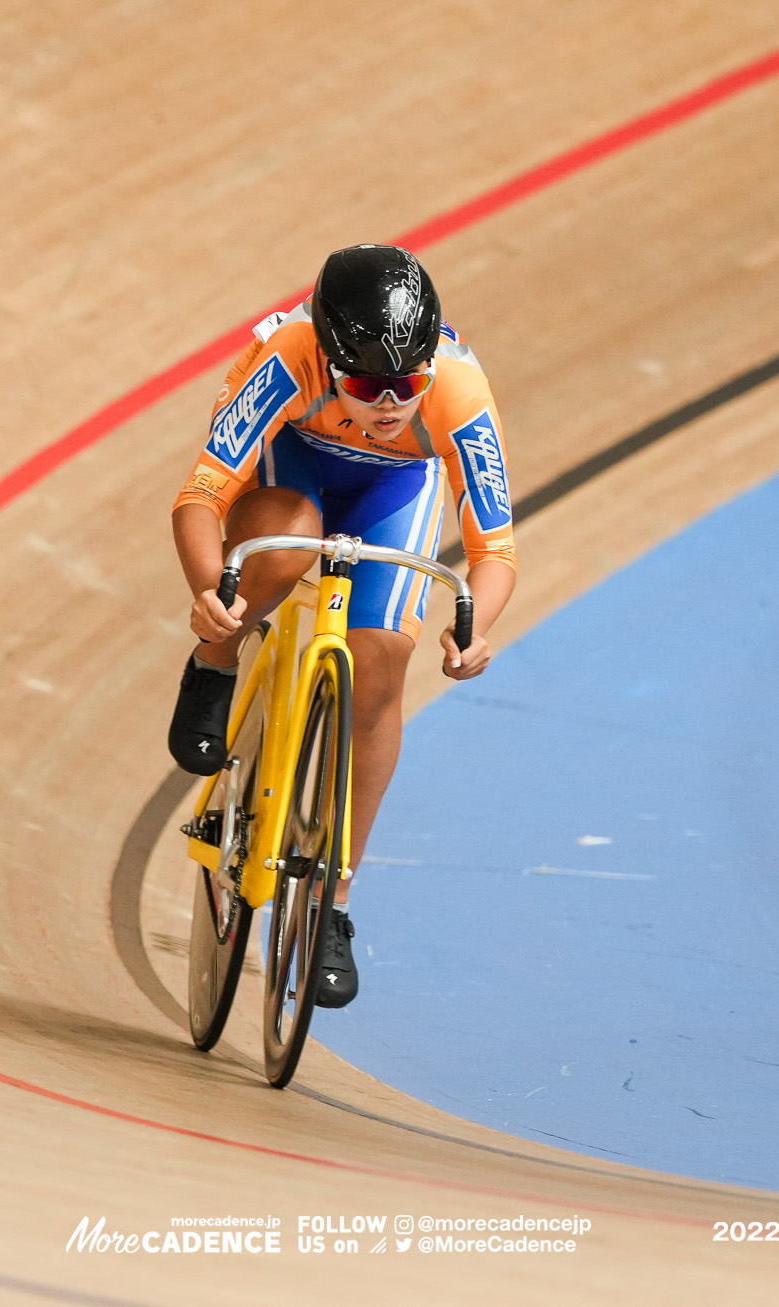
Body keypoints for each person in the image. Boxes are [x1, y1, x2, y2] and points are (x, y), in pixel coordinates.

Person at [166, 245, 518, 1009]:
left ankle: (334, 901)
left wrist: (475, 626)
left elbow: (494, 548)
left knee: (383, 660)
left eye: (407, 382)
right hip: (292, 463)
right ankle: (218, 660)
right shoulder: (290, 359)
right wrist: (209, 598)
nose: (390, 402)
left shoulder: (457, 389)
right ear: (329, 362)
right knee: (285, 540)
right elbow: (200, 496)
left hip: (396, 486)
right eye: (366, 383)